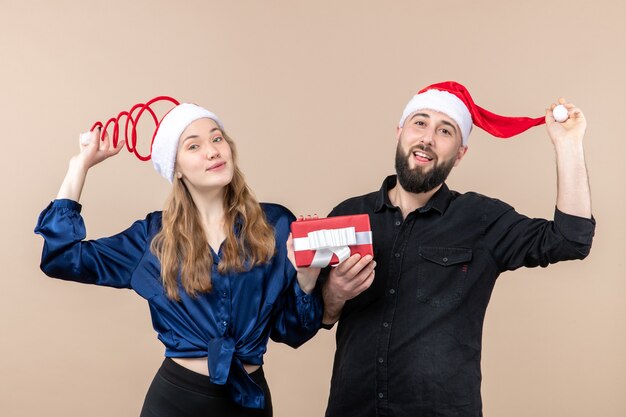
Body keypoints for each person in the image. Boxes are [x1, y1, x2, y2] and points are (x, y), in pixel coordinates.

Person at [319, 81, 595, 417]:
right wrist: (333, 292)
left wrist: (568, 147)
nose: (428, 138)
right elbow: (317, 315)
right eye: (419, 123)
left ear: (460, 153)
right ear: (400, 132)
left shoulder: (481, 219)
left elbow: (571, 239)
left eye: (445, 130)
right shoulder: (347, 216)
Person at [34, 100, 322, 417]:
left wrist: (307, 281)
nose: (213, 151)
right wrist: (80, 165)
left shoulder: (277, 226)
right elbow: (62, 258)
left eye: (217, 138)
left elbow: (292, 331)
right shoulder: (152, 238)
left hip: (249, 402)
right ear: (177, 168)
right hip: (176, 402)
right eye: (194, 146)